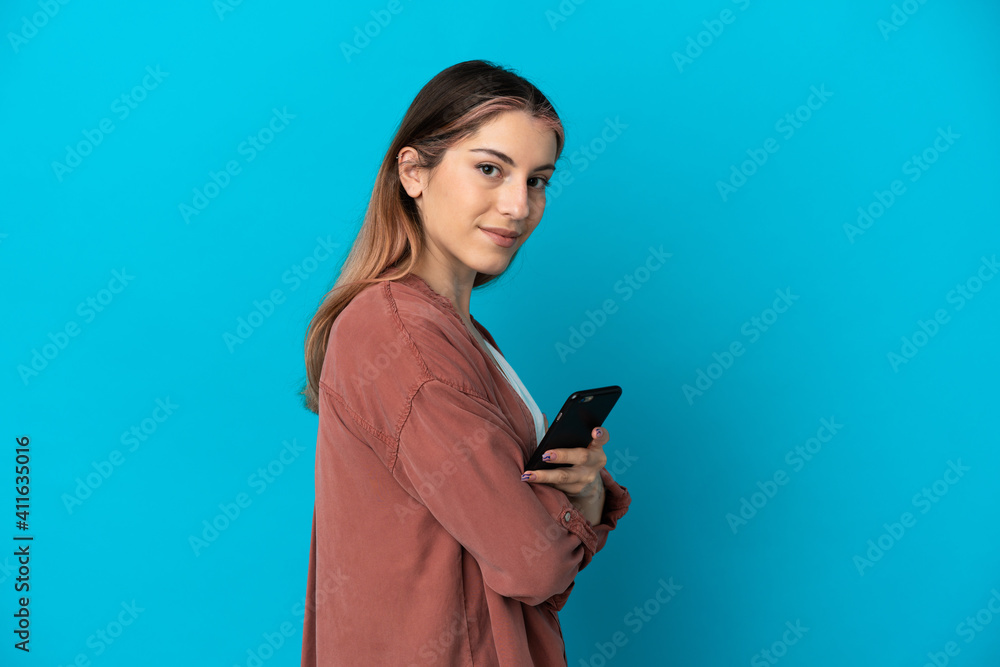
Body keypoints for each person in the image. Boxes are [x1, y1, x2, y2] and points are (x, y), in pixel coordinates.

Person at [298, 59, 631, 666]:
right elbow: (533, 569)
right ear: (413, 172)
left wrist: (578, 498)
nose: (517, 205)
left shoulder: (448, 330)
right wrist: (571, 517)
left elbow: (512, 556)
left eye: (538, 180)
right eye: (489, 169)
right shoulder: (402, 336)